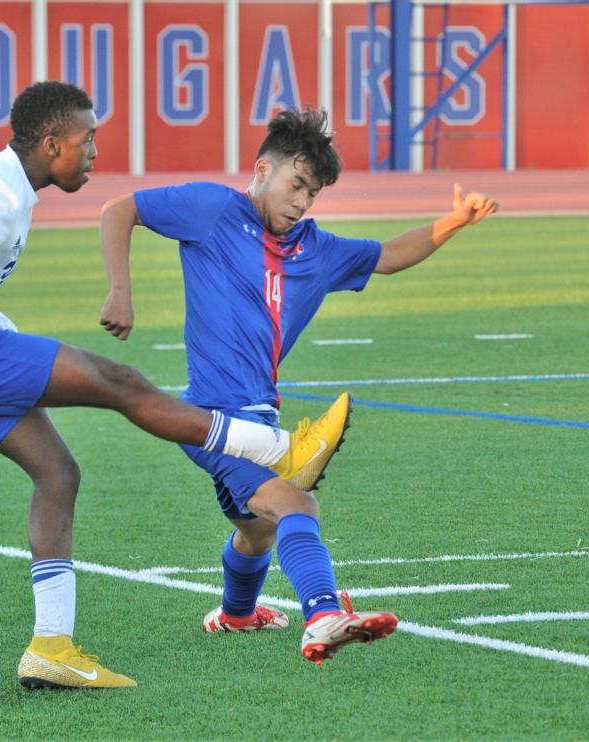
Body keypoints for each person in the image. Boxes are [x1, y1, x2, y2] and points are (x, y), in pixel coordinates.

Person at [0, 82, 344, 688]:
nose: (95, 153)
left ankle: (51, 648)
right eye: (88, 141)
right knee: (120, 381)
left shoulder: (9, 187)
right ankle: (275, 450)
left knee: (58, 474)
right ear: (52, 144)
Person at [97, 108, 498, 664]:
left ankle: (237, 614)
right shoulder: (213, 209)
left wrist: (454, 222)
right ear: (263, 169)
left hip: (259, 417)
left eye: (313, 193)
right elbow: (121, 209)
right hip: (209, 418)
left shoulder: (316, 249)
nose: (302, 202)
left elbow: (388, 256)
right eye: (297, 185)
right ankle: (323, 614)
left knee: (256, 531)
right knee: (296, 506)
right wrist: (121, 289)